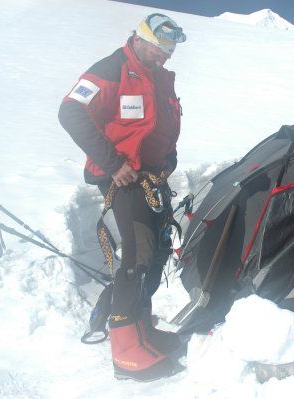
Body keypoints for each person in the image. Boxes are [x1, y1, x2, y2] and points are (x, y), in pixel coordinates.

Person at [58, 13, 186, 381]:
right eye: (161, 49)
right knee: (138, 253)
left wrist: (168, 157)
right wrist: (114, 163)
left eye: (171, 50)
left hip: (150, 176)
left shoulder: (159, 76)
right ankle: (126, 350)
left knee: (157, 253)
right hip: (122, 176)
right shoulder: (113, 68)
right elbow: (71, 112)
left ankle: (142, 330)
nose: (167, 57)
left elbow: (161, 123)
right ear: (141, 39)